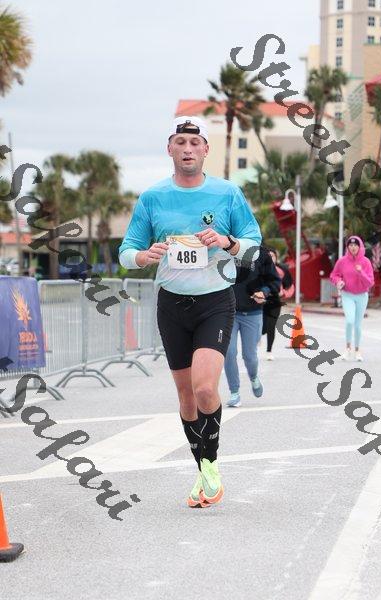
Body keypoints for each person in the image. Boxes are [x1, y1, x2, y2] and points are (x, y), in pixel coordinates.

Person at [119, 116, 261, 508]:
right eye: (180, 142)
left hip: (215, 301)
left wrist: (227, 241)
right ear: (170, 148)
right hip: (172, 304)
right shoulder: (153, 197)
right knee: (185, 396)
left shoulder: (227, 193)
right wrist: (144, 256)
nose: (187, 149)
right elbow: (127, 250)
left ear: (205, 150)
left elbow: (253, 248)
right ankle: (204, 471)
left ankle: (210, 466)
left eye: (194, 143)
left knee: (204, 388)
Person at [224, 245, 281, 407]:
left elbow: (274, 281)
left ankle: (254, 377)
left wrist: (264, 292)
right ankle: (234, 392)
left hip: (253, 313)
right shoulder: (223, 249)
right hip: (228, 312)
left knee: (249, 356)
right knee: (229, 352)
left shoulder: (262, 254)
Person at [330, 235, 374, 361]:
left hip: (362, 296)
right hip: (347, 294)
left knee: (358, 324)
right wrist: (338, 281)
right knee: (350, 321)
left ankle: (357, 350)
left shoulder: (366, 262)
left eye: (355, 245)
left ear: (360, 247)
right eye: (350, 245)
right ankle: (348, 348)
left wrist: (361, 272)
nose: (353, 247)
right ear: (347, 247)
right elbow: (334, 275)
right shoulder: (342, 261)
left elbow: (370, 283)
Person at [262, 247, 294, 360]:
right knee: (263, 328)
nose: (271, 258)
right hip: (261, 301)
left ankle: (269, 351)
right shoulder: (260, 268)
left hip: (275, 300)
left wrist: (283, 292)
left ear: (276, 257)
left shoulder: (282, 269)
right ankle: (258, 336)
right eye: (268, 256)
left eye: (273, 256)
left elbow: (289, 284)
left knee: (271, 326)